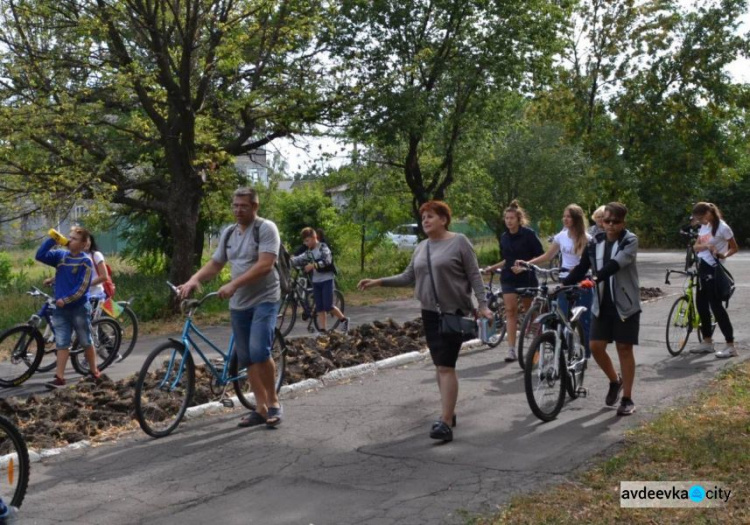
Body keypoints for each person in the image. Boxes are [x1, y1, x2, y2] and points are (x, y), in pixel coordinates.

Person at [358, 200, 492, 442]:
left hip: (454, 312)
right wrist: (379, 281)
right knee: (439, 364)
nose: (426, 221)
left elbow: (474, 275)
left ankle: (445, 422)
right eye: (423, 218)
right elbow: (408, 276)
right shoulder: (421, 247)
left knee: (445, 366)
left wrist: (482, 305)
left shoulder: (459, 241)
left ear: (444, 219)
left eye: (431, 216)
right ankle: (448, 413)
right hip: (429, 313)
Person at [179, 187, 284, 428]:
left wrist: (233, 284)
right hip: (239, 304)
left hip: (265, 299)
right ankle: (260, 408)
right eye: (235, 206)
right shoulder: (229, 233)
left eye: (243, 206)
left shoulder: (265, 228)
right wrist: (194, 279)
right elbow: (216, 264)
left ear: (255, 207)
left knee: (259, 351)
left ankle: (274, 402)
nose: (238, 210)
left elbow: (266, 265)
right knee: (246, 357)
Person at [563, 202, 640, 416]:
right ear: (602, 221)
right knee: (596, 347)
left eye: (616, 221)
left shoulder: (630, 240)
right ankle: (615, 381)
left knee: (624, 349)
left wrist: (595, 279)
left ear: (623, 222)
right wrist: (562, 285)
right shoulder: (595, 241)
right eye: (607, 221)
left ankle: (627, 398)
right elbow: (581, 268)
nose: (611, 225)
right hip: (601, 304)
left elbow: (616, 263)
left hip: (625, 304)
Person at [519, 204, 593, 356]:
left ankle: (585, 355)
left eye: (569, 216)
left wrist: (575, 270)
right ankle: (563, 350)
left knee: (583, 319)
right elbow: (548, 256)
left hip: (581, 281)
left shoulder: (586, 238)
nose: (565, 219)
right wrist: (527, 263)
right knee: (562, 316)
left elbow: (582, 263)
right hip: (564, 281)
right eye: (564, 216)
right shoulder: (561, 236)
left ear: (576, 219)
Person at [36, 226, 100, 388]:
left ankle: (94, 371)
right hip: (61, 309)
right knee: (62, 342)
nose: (70, 240)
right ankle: (59, 377)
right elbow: (40, 255)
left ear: (84, 244)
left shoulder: (85, 262)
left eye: (74, 239)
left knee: (85, 340)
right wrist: (53, 239)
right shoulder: (60, 256)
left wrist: (66, 299)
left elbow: (82, 287)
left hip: (78, 308)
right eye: (69, 237)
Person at [481, 200, 544, 362]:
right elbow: (507, 260)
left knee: (530, 310)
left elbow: (540, 256)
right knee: (510, 311)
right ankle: (511, 350)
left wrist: (525, 266)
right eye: (506, 218)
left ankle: (539, 343)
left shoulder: (529, 234)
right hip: (509, 277)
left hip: (527, 276)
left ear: (518, 219)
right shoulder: (504, 237)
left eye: (511, 218)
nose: (508, 221)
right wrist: (492, 267)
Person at [690, 202, 738, 358]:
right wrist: (707, 246)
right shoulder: (705, 226)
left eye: (701, 217)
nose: (700, 221)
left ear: (709, 213)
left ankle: (730, 346)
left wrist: (723, 255)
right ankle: (707, 342)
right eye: (698, 218)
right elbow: (696, 247)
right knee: (701, 306)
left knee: (716, 307)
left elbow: (734, 247)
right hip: (702, 268)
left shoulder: (723, 227)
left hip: (713, 269)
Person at [290, 227, 349, 334]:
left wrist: (313, 265)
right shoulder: (309, 252)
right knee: (320, 307)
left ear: (314, 237)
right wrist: (288, 260)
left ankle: (344, 320)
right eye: (304, 241)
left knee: (328, 306)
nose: (306, 243)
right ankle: (323, 330)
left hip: (327, 279)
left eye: (307, 240)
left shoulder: (323, 247)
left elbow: (327, 260)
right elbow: (299, 259)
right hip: (316, 281)